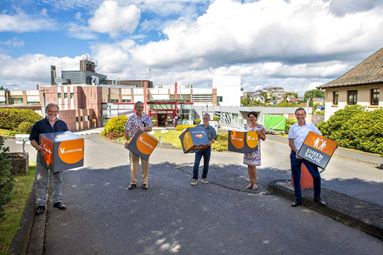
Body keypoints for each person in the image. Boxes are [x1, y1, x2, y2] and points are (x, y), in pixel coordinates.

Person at [30, 103, 69, 215]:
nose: (53, 113)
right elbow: (32, 139)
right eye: (50, 111)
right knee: (41, 180)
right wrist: (38, 147)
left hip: (57, 158)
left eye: (55, 111)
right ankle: (40, 204)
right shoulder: (38, 124)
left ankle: (57, 201)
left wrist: (64, 162)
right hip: (43, 157)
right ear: (46, 111)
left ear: (58, 112)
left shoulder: (62, 124)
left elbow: (67, 140)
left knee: (58, 180)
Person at [288, 107, 327, 207]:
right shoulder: (293, 127)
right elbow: (291, 142)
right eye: (298, 114)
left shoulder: (311, 127)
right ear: (295, 116)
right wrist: (296, 151)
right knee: (296, 177)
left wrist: (332, 146)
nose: (300, 116)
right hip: (295, 155)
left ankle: (317, 197)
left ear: (305, 115)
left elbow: (321, 138)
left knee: (316, 176)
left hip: (308, 154)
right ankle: (297, 199)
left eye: (302, 114)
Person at [125, 101, 153, 190]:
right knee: (134, 164)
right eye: (139, 107)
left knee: (145, 164)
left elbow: (150, 127)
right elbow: (126, 130)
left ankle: (145, 182)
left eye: (142, 107)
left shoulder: (146, 117)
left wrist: (143, 128)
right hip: (134, 143)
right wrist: (126, 140)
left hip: (144, 143)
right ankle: (133, 182)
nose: (141, 109)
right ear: (135, 108)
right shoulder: (131, 118)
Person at [191, 113, 217, 186]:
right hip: (199, 148)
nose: (205, 120)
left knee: (206, 164)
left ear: (209, 119)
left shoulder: (212, 129)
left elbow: (214, 138)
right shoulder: (198, 127)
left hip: (207, 148)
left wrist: (211, 141)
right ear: (202, 119)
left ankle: (204, 178)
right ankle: (194, 179)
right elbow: (193, 135)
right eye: (204, 118)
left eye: (207, 118)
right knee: (196, 163)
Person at [243, 112, 266, 190]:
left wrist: (259, 134)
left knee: (253, 166)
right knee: (249, 165)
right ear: (248, 118)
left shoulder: (260, 127)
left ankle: (255, 183)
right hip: (247, 149)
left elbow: (264, 138)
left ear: (256, 118)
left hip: (255, 149)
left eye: (253, 117)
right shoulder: (246, 127)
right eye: (250, 117)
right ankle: (250, 182)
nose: (251, 118)